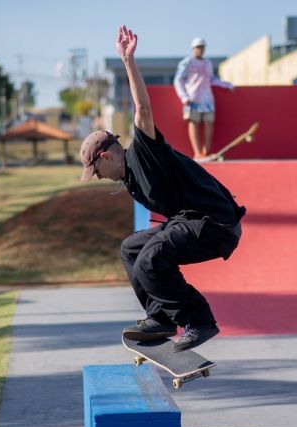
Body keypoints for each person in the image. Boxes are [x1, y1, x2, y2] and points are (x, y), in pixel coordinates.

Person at [80, 26, 245, 352]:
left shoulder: (144, 150)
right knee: (131, 249)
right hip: (191, 221)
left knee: (151, 259)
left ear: (108, 155)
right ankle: (160, 317)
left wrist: (128, 61)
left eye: (96, 170)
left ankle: (200, 321)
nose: (98, 177)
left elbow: (142, 109)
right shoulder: (127, 178)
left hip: (216, 222)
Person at [173, 36, 234, 159]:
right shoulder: (187, 62)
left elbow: (211, 79)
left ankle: (206, 151)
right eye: (198, 47)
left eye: (202, 47)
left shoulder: (207, 63)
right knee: (194, 123)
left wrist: (226, 85)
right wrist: (184, 96)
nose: (200, 50)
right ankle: (197, 152)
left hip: (207, 99)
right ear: (193, 48)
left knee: (209, 123)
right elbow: (178, 80)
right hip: (192, 98)